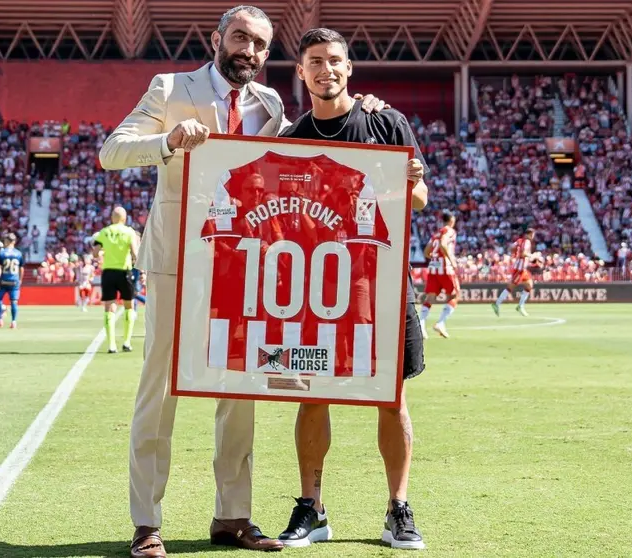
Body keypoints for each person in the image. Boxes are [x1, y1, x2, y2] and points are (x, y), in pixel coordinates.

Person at [99, 5, 388, 556]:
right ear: (217, 38)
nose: (248, 51)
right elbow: (111, 150)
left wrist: (368, 110)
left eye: (259, 44)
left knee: (239, 391)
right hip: (176, 263)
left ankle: (232, 516)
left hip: (242, 267)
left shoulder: (271, 103)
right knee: (159, 393)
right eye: (239, 38)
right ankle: (146, 524)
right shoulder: (170, 87)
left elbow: (303, 161)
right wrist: (168, 141)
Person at [274, 28, 429, 551]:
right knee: (311, 394)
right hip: (316, 287)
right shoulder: (292, 139)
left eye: (334, 60)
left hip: (380, 282)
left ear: (349, 67)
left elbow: (422, 196)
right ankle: (312, 509)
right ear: (301, 72)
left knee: (391, 398)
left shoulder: (385, 120)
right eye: (314, 61)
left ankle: (398, 509)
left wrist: (410, 179)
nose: (326, 69)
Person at [90, 207, 140, 353]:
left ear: (112, 217)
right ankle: (126, 342)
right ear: (124, 218)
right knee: (129, 306)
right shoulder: (129, 232)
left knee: (109, 307)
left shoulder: (104, 232)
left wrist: (105, 251)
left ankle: (111, 345)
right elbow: (135, 253)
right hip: (125, 271)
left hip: (108, 272)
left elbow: (94, 253)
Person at [420, 211, 459, 339]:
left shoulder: (436, 233)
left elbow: (426, 252)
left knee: (431, 297)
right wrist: (451, 260)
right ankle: (441, 323)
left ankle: (421, 323)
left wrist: (434, 258)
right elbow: (443, 244)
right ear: (451, 220)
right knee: (454, 295)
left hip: (433, 267)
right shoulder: (450, 231)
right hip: (445, 267)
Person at [492, 228, 538, 317]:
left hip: (522, 268)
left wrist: (514, 254)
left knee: (529, 284)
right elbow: (523, 253)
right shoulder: (527, 242)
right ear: (529, 234)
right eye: (532, 235)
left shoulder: (519, 240)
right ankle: (497, 304)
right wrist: (532, 256)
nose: (533, 237)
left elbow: (511, 247)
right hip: (519, 269)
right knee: (511, 287)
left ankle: (520, 306)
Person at [0, 233, 24, 329]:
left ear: (7, 241)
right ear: (14, 242)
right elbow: (21, 268)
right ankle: (14, 321)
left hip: (4, 280)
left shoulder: (2, 252)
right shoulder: (19, 253)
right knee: (14, 302)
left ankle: (0, 320)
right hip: (14, 281)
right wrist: (20, 279)